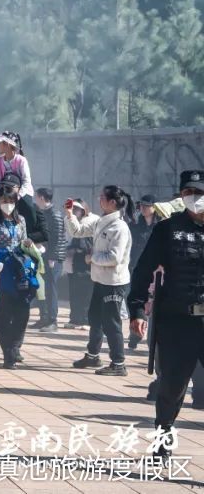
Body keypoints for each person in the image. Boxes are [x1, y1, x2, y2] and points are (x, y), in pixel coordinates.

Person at [129, 170, 204, 462]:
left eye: (199, 192)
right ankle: (163, 440)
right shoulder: (168, 229)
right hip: (178, 321)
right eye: (188, 193)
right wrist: (137, 309)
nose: (194, 198)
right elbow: (143, 269)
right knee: (171, 386)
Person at [67, 186, 134, 376]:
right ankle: (93, 355)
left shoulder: (119, 227)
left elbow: (114, 257)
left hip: (114, 282)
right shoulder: (100, 222)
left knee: (111, 322)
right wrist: (70, 215)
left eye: (103, 197)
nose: (99, 199)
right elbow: (77, 231)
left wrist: (92, 258)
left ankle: (118, 363)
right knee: (95, 318)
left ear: (113, 202)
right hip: (99, 279)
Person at [0, 186, 39, 370]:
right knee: (4, 313)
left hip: (20, 270)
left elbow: (23, 241)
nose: (7, 205)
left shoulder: (20, 220)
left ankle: (15, 346)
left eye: (11, 201)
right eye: (4, 201)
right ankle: (8, 352)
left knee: (23, 311)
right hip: (2, 270)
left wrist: (27, 244)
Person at [32, 188, 67, 333]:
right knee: (42, 289)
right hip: (43, 256)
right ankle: (44, 317)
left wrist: (52, 257)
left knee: (51, 289)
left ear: (41, 198)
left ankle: (53, 321)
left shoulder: (55, 214)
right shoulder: (43, 213)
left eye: (36, 197)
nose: (35, 200)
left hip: (53, 258)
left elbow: (57, 238)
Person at [128, 195, 160, 350]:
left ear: (154, 207)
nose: (144, 208)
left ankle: (152, 338)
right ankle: (134, 335)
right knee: (137, 300)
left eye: (147, 205)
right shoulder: (135, 225)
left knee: (152, 303)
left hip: (155, 270)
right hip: (137, 267)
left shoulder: (160, 225)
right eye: (141, 205)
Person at [64, 200, 94, 329]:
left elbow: (87, 245)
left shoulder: (89, 223)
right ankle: (75, 319)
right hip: (74, 263)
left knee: (86, 294)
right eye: (73, 208)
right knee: (74, 293)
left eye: (77, 209)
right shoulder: (70, 222)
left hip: (86, 264)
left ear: (83, 210)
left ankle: (86, 320)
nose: (74, 211)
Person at [0, 131, 33, 197]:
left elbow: (26, 181)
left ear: (7, 144)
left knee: (26, 204)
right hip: (4, 193)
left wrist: (18, 196)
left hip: (23, 193)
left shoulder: (21, 160)